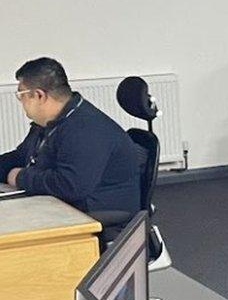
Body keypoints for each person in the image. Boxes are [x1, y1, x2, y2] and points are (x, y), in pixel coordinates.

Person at [0, 57, 142, 214]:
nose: (20, 101)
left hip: (95, 214)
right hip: (62, 204)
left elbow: (70, 185)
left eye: (22, 94)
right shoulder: (49, 122)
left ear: (40, 96)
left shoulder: (86, 129)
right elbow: (23, 156)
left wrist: (19, 177)